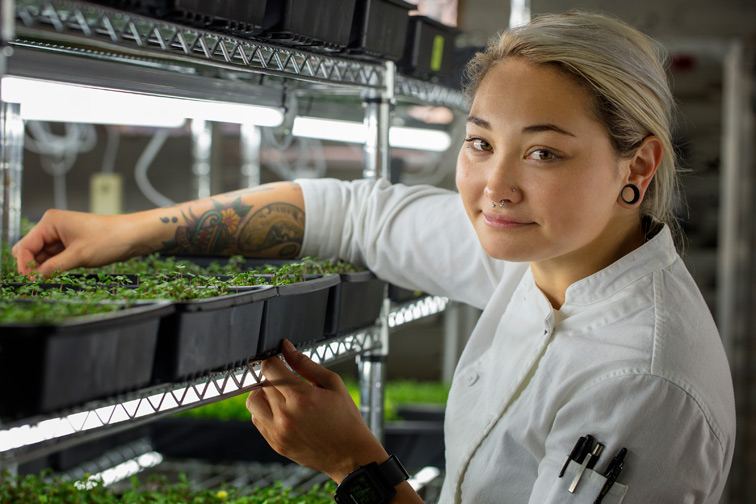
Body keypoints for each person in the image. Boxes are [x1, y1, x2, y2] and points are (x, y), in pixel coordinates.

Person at [12, 11, 735, 504]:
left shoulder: (641, 383)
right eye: (481, 142)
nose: (495, 186)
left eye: (544, 152)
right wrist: (132, 231)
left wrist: (354, 464)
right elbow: (354, 214)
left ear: (638, 165)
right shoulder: (546, 251)